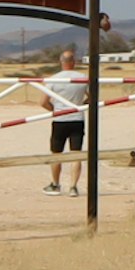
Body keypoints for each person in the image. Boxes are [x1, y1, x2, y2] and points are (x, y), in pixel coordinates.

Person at [42, 53, 92, 194]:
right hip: (77, 119)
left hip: (60, 120)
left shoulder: (53, 79)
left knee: (56, 154)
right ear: (74, 62)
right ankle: (73, 187)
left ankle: (55, 184)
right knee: (76, 154)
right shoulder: (83, 78)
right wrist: (81, 104)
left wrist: (55, 110)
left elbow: (43, 102)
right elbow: (92, 96)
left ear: (61, 61)